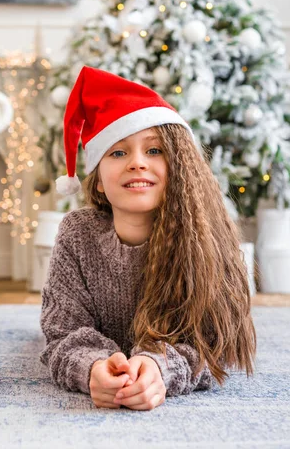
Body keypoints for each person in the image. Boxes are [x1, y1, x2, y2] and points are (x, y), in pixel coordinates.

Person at [39, 65, 257, 411]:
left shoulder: (205, 239)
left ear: (178, 168)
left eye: (154, 151)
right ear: (97, 179)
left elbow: (217, 344)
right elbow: (63, 333)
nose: (137, 163)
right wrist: (94, 367)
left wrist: (159, 368)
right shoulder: (77, 234)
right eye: (118, 152)